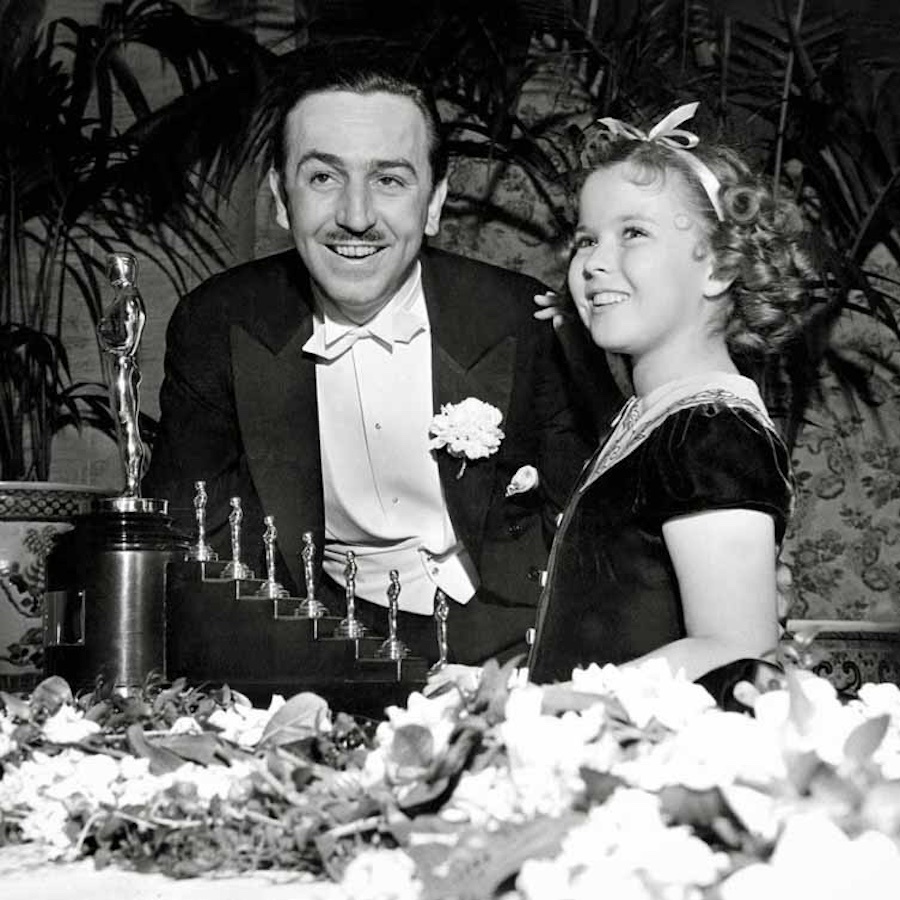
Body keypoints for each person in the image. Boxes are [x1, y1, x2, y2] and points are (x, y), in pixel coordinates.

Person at [142, 65, 602, 666]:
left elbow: (587, 529)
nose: (356, 216)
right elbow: (191, 540)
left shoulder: (523, 319)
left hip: (506, 646)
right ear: (281, 198)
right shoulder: (219, 323)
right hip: (309, 648)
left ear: (433, 203)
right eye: (323, 177)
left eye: (388, 180)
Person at [527, 103, 813, 687]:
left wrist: (553, 704)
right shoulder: (658, 420)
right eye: (587, 239)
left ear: (720, 267)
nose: (593, 263)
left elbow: (736, 648)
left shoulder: (713, 430)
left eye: (633, 233)